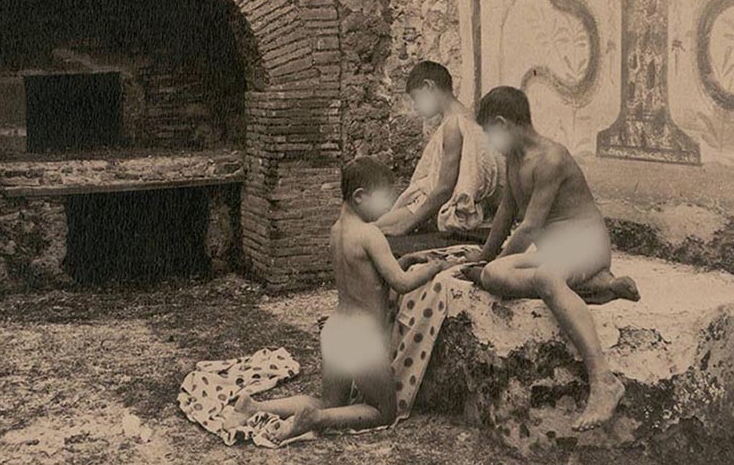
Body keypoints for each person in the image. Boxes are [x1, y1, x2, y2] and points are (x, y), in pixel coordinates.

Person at [232, 157, 456, 441]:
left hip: (336, 330)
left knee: (331, 403)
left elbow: (368, 272)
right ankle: (318, 420)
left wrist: (407, 259)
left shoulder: (337, 231)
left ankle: (254, 406)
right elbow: (400, 282)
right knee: (383, 412)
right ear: (360, 196)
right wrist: (436, 267)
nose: (388, 208)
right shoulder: (370, 234)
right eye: (383, 200)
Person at [473, 86, 629, 431]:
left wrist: (503, 256)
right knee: (492, 276)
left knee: (545, 278)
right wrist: (483, 258)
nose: (489, 140)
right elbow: (507, 209)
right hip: (554, 253)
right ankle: (595, 285)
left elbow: (528, 228)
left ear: (502, 123)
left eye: (488, 132)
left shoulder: (552, 158)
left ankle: (604, 381)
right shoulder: (513, 157)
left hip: (585, 244)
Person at [376, 61, 502, 238]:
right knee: (375, 227)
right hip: (430, 203)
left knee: (370, 230)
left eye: (416, 99)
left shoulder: (453, 125)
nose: (416, 107)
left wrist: (406, 226)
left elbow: (444, 188)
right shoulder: (465, 117)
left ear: (428, 86)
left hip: (436, 207)